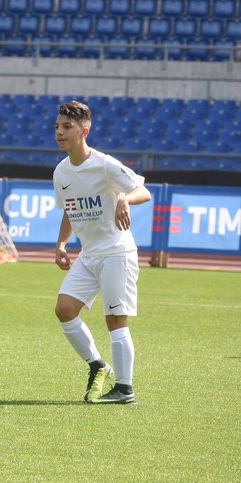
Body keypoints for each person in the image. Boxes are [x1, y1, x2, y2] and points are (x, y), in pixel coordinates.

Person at [52, 101, 151, 405]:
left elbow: (143, 191)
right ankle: (98, 365)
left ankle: (125, 389)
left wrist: (124, 198)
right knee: (65, 309)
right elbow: (70, 210)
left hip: (116, 253)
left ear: (85, 130)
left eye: (66, 127)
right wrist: (61, 245)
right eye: (57, 127)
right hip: (89, 255)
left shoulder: (105, 164)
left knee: (115, 320)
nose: (59, 132)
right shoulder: (61, 172)